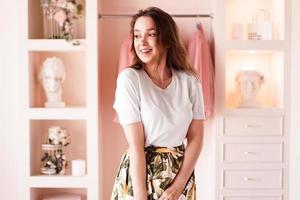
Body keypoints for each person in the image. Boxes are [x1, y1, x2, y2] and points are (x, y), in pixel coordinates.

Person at [111, 7, 205, 200]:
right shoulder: (130, 79)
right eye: (137, 36)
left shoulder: (189, 81)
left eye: (150, 34)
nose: (142, 42)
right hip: (140, 178)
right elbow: (136, 148)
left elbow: (196, 137)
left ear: (167, 39)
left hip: (180, 175)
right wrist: (141, 197)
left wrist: (178, 186)